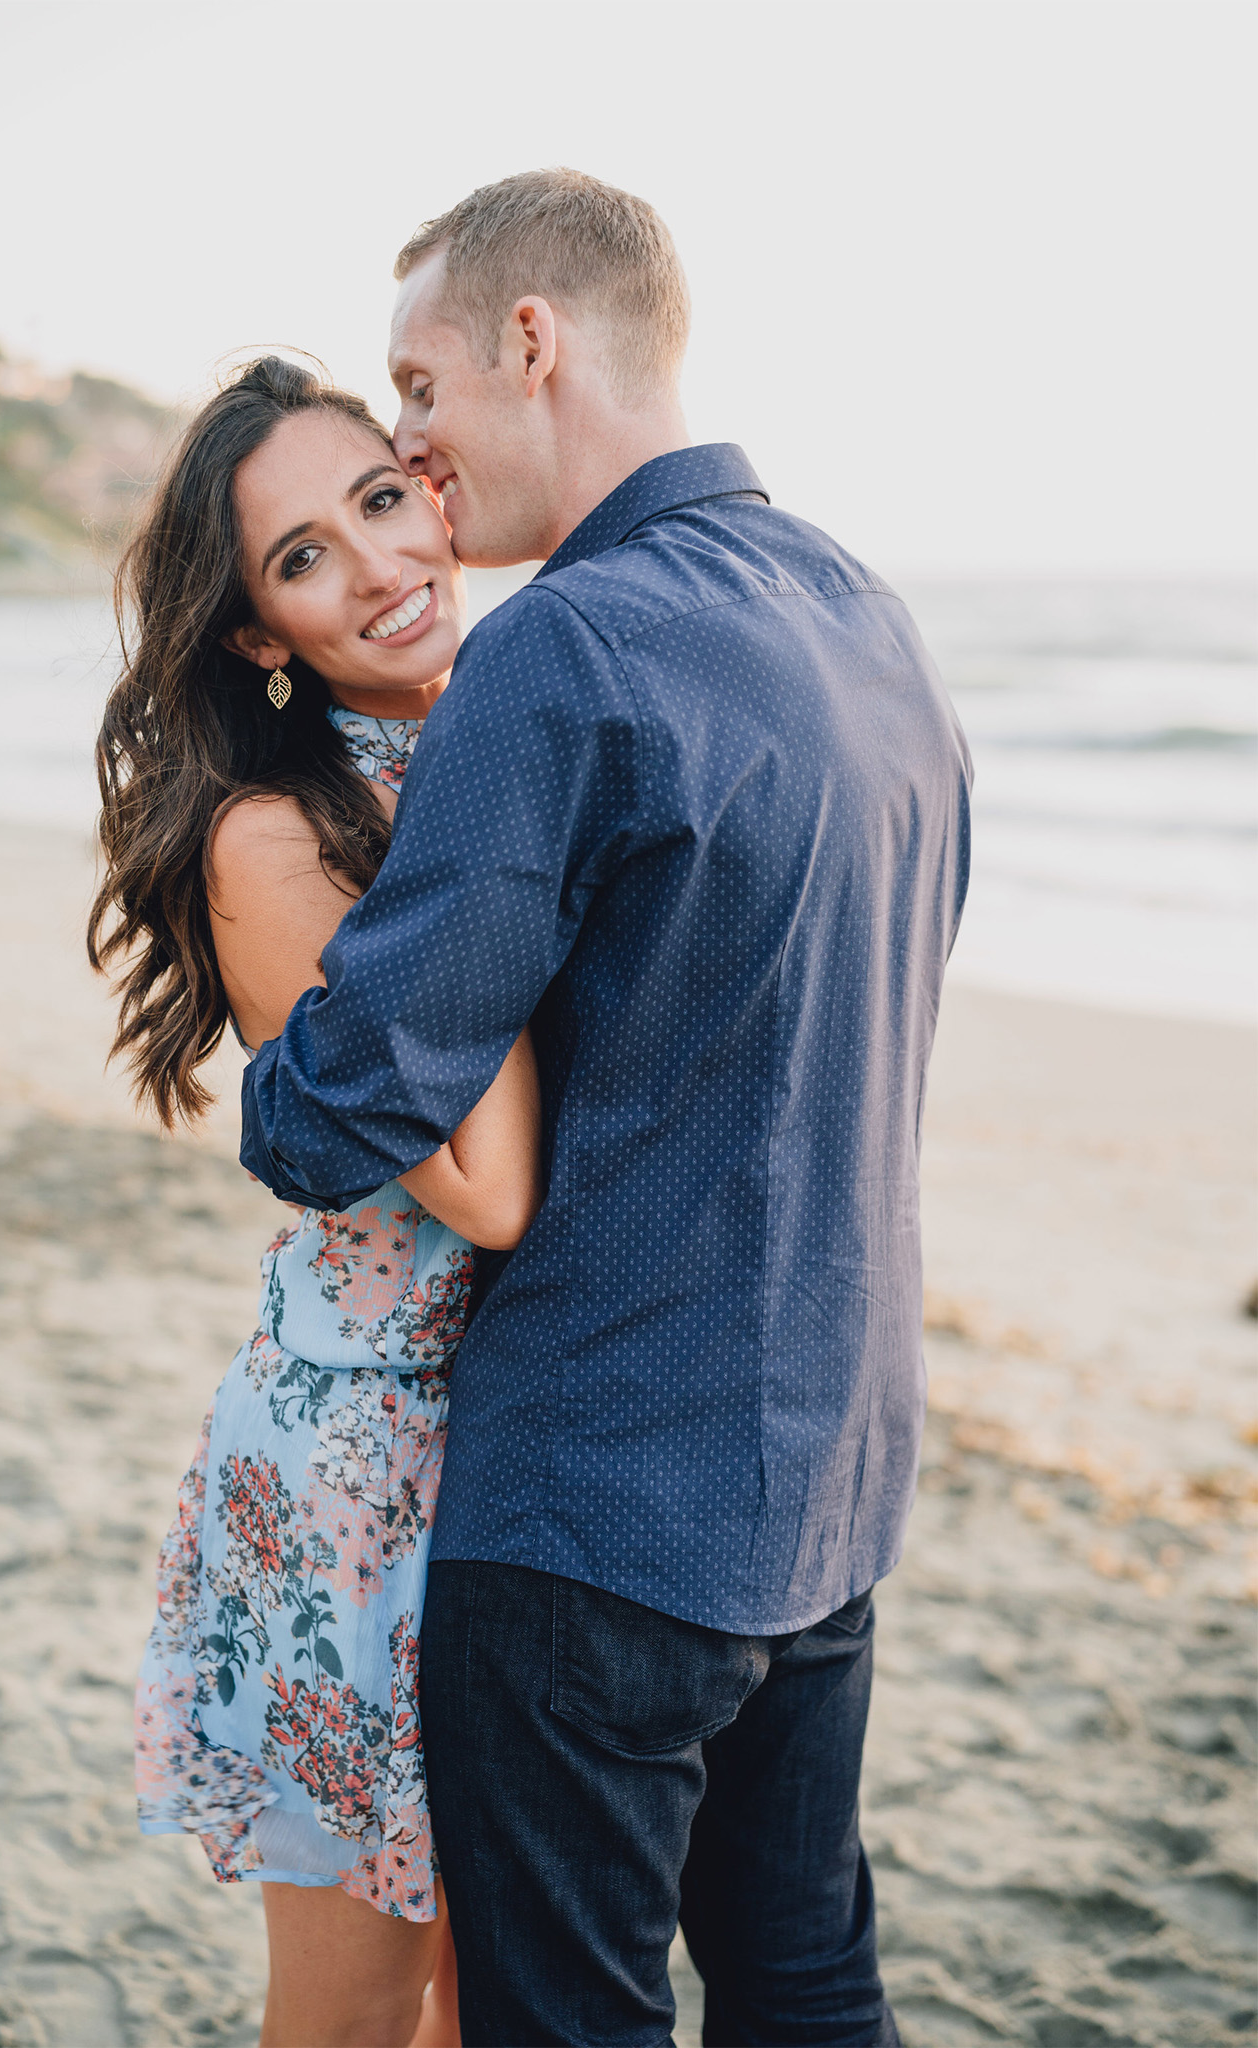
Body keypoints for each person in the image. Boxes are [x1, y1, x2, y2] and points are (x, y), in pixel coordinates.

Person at [241, 169, 972, 2042]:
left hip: (598, 1503)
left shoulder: (562, 644)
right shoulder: (864, 610)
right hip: (829, 1461)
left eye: (418, 383)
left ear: (531, 341)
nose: (408, 433)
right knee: (805, 1976)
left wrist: (279, 1015)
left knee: (565, 2017)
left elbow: (343, 1110)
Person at [100, 356, 540, 2047]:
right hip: (358, 1463)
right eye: (299, 558)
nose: (371, 566)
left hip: (519, 1446)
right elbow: (487, 1187)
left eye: (377, 499)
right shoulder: (272, 842)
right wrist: (492, 794)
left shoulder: (516, 733)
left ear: (433, 488)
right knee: (352, 2021)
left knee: (482, 1999)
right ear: (258, 635)